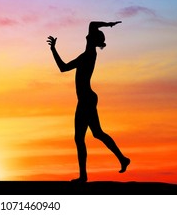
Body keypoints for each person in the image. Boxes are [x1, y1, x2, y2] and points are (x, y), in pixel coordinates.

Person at [47, 21, 130, 183]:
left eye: (89, 35)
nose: (87, 34)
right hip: (88, 99)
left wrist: (53, 49)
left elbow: (63, 68)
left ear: (91, 40)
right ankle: (122, 158)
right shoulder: (88, 53)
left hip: (86, 100)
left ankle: (84, 176)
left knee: (80, 138)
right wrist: (109, 24)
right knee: (97, 133)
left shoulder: (88, 56)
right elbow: (92, 24)